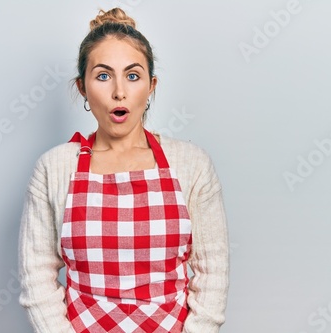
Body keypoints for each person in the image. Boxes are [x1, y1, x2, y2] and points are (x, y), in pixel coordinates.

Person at [18, 8, 229, 333]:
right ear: (83, 88)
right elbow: (36, 276)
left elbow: (212, 274)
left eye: (132, 75)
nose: (119, 91)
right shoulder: (54, 168)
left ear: (151, 85)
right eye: (103, 76)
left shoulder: (192, 164)